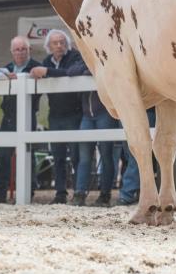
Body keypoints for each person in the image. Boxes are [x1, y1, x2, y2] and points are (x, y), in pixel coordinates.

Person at [0, 36, 42, 204]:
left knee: (28, 154)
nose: (20, 52)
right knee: (2, 154)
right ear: (11, 52)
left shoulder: (36, 67)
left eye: (23, 49)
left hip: (28, 115)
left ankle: (28, 191)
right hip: (8, 116)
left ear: (29, 50)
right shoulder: (6, 69)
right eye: (16, 49)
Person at [29, 30, 82, 204]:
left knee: (76, 156)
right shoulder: (46, 61)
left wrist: (46, 72)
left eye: (62, 42)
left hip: (74, 113)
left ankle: (78, 191)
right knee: (57, 156)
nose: (59, 45)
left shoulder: (74, 56)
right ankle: (60, 193)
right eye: (55, 43)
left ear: (67, 44)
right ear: (48, 46)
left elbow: (70, 73)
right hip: (55, 115)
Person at [67, 56, 119, 206]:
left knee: (106, 155)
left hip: (105, 113)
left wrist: (91, 69)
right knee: (84, 157)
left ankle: (105, 195)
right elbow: (71, 70)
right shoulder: (84, 58)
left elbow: (106, 71)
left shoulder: (106, 57)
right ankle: (79, 193)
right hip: (87, 115)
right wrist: (86, 69)